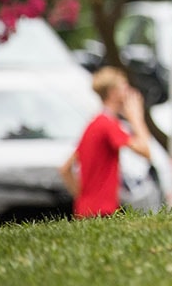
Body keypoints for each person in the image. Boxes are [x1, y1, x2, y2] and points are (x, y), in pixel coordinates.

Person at [60, 66, 153, 218]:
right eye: (124, 87)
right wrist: (136, 118)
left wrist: (85, 197)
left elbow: (65, 169)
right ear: (113, 93)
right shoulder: (109, 124)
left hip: (85, 209)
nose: (129, 93)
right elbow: (145, 151)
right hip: (103, 210)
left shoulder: (94, 124)